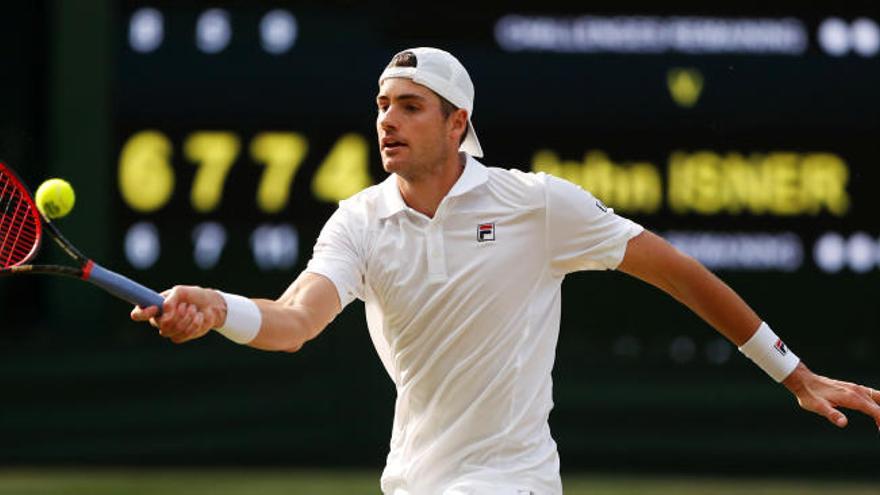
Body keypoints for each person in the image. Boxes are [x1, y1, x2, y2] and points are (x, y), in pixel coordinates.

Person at [131, 47, 880, 495]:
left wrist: (792, 371)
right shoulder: (359, 219)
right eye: (383, 105)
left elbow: (678, 272)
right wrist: (217, 306)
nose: (388, 120)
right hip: (414, 481)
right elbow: (294, 322)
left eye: (412, 107)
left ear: (458, 123)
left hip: (511, 479)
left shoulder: (537, 204)